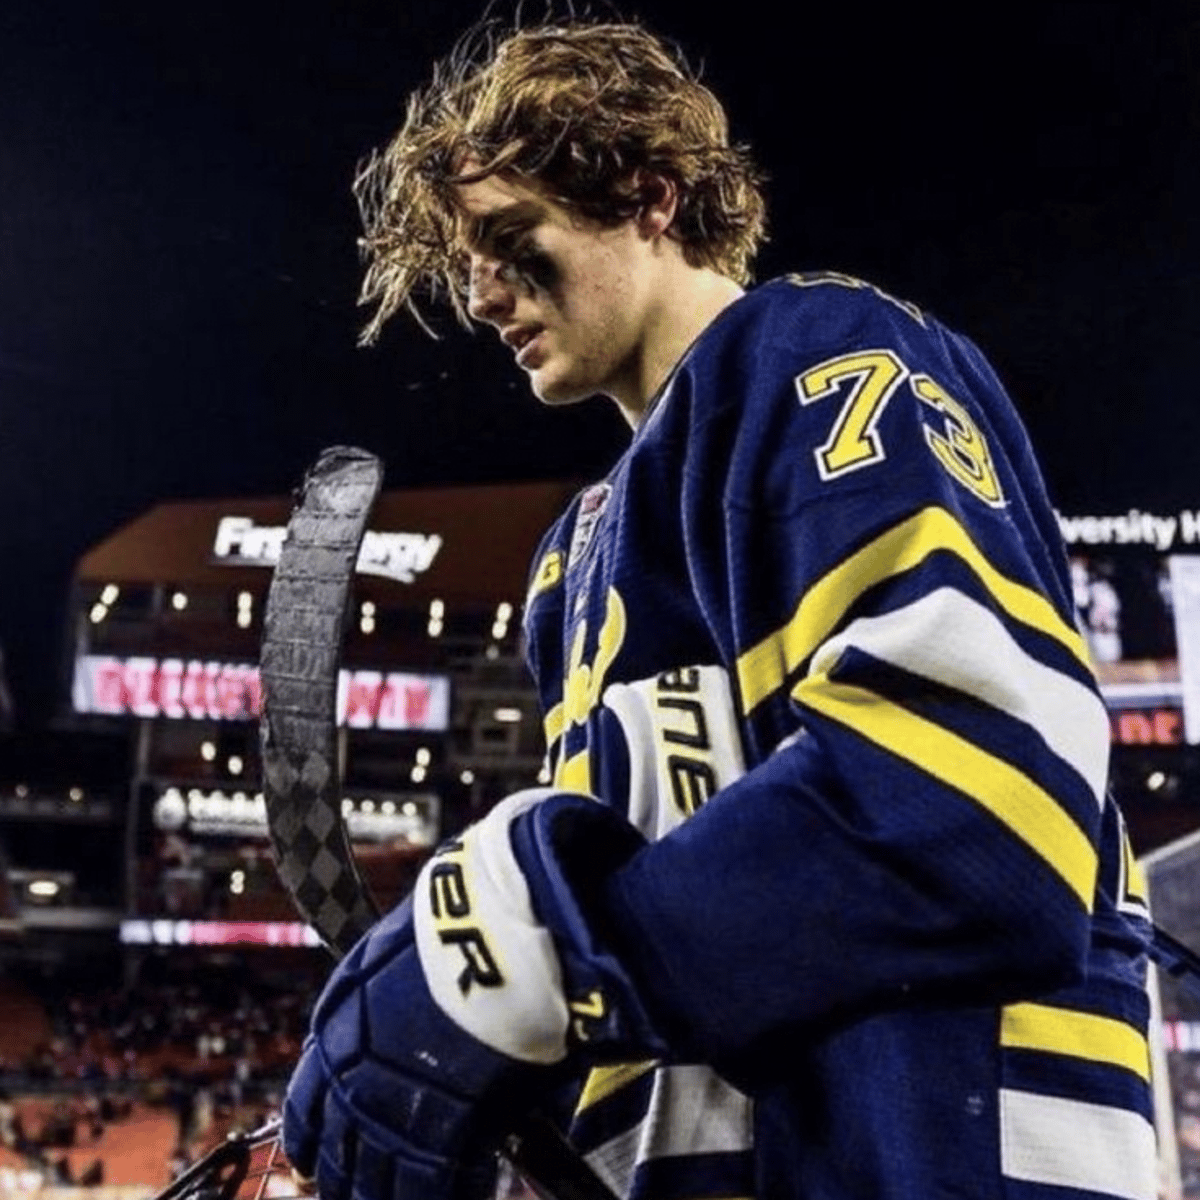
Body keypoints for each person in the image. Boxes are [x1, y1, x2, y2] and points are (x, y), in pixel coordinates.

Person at [283, 18, 1157, 1200]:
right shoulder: (573, 557)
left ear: (650, 196)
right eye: (467, 264)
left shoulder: (813, 354)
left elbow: (980, 798)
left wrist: (531, 952)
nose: (482, 297)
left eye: (514, 243)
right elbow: (663, 940)